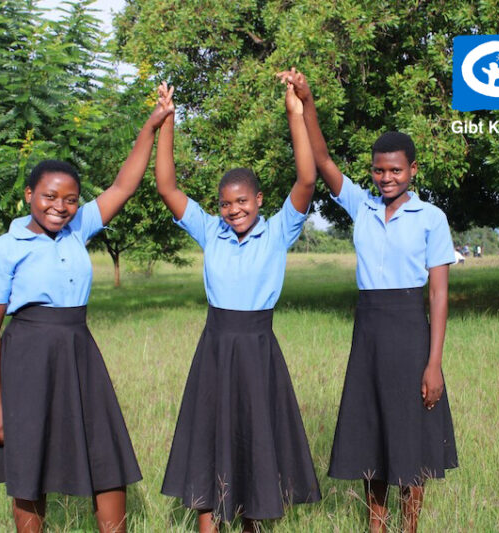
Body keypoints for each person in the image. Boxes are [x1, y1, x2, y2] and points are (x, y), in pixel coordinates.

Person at [0, 84, 176, 533]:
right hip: (26, 360)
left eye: (69, 199)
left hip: (80, 354)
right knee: (29, 464)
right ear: (29, 195)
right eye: (49, 197)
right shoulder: (2, 249)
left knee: (106, 454)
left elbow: (125, 183)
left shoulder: (77, 230)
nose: (59, 207)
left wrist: (154, 124)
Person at [280, 68, 457, 533]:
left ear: (412, 171)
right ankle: (376, 525)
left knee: (410, 437)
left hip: (409, 331)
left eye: (396, 170)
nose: (386, 177)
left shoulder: (431, 218)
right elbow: (319, 158)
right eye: (379, 169)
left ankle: (409, 525)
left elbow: (438, 293)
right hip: (369, 330)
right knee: (373, 434)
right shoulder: (361, 205)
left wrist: (433, 363)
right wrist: (308, 100)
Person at [156, 81, 320, 532]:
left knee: (255, 440)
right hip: (216, 348)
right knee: (212, 438)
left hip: (258, 349)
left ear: (259, 201)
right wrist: (167, 121)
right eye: (226, 204)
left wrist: (295, 112)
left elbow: (307, 178)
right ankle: (209, 522)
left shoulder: (280, 229)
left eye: (242, 201)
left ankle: (252, 521)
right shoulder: (211, 231)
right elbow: (166, 185)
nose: (233, 211)